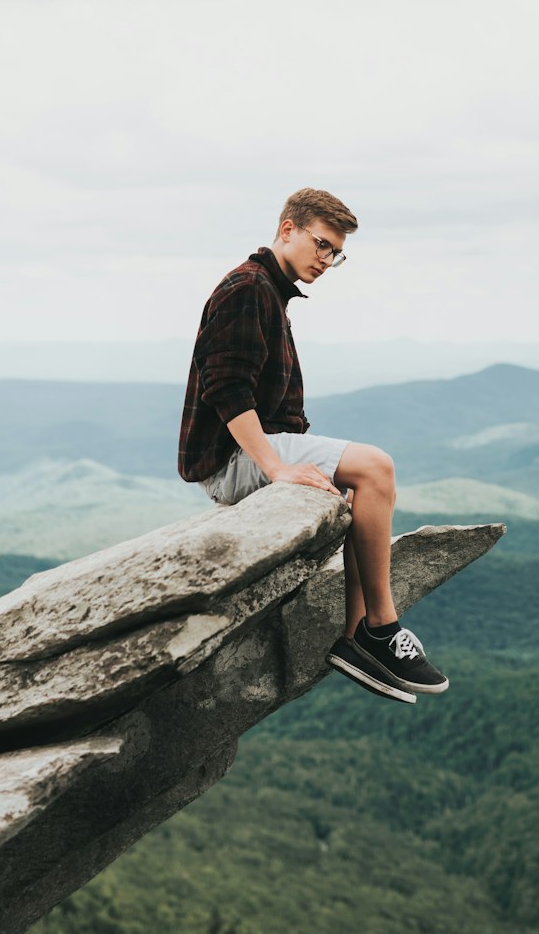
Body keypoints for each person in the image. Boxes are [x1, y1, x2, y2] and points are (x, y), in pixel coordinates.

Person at [178, 186, 448, 704]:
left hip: (249, 452)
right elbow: (226, 388)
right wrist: (277, 467)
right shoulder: (247, 289)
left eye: (336, 253)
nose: (327, 260)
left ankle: (355, 641)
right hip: (230, 461)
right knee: (376, 468)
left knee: (355, 497)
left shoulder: (270, 290)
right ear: (287, 230)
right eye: (322, 245)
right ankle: (381, 629)